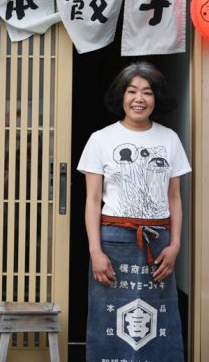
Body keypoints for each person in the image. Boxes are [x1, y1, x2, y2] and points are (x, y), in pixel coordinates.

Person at [77, 61, 191, 362]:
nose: (139, 99)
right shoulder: (100, 139)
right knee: (111, 322)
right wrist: (96, 252)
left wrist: (175, 246)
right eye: (132, 91)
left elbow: (175, 198)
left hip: (158, 245)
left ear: (156, 99)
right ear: (122, 95)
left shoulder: (169, 140)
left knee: (156, 320)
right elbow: (92, 200)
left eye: (147, 92)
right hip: (113, 243)